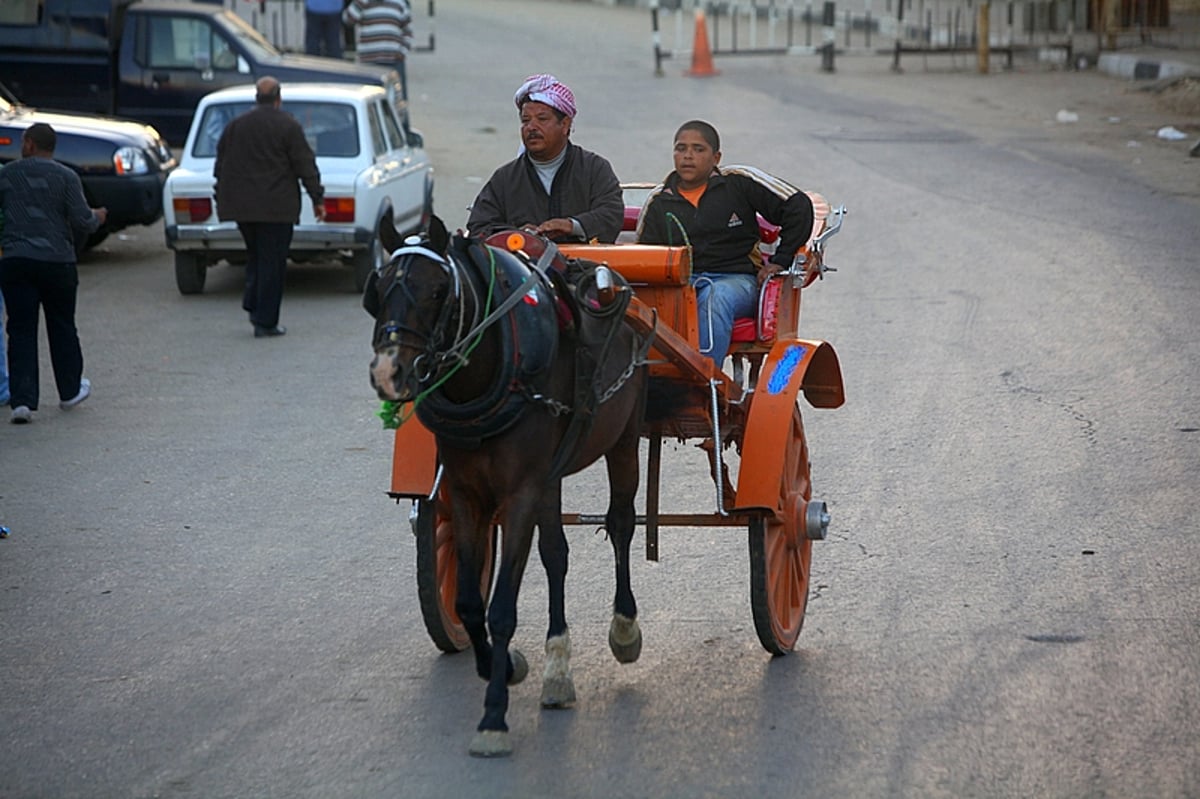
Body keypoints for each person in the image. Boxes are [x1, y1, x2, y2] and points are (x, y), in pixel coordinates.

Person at [636, 119, 814, 369]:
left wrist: (779, 261)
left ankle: (704, 381)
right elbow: (645, 258)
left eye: (698, 149)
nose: (688, 156)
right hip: (682, 285)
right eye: (681, 148)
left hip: (736, 282)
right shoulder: (658, 201)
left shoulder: (738, 182)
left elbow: (798, 206)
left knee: (714, 297)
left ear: (716, 157)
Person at [0, 123, 106, 424]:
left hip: (16, 261)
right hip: (57, 262)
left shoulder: (7, 175)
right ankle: (69, 390)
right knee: (62, 325)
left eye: (24, 142)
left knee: (20, 328)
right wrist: (98, 217)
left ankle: (22, 401)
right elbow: (82, 220)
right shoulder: (67, 177)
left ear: (31, 144)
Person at [214, 77, 325, 338]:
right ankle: (265, 321)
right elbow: (304, 165)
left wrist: (221, 198)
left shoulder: (235, 126)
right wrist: (317, 199)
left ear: (256, 98)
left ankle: (254, 304)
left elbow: (220, 166)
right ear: (278, 98)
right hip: (276, 209)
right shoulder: (288, 126)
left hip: (242, 208)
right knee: (272, 263)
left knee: (256, 256)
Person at [466, 74, 623, 244]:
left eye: (542, 119)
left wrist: (572, 226)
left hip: (586, 267)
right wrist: (518, 235)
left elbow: (611, 215)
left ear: (565, 125)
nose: (531, 127)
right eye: (525, 120)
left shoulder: (594, 169)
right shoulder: (505, 178)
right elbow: (479, 227)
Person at [342, 0, 413, 101]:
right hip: (369, 63)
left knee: (397, 102)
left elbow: (408, 30)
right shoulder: (362, 3)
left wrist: (402, 52)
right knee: (369, 101)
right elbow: (348, 19)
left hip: (393, 61)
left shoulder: (399, 3)